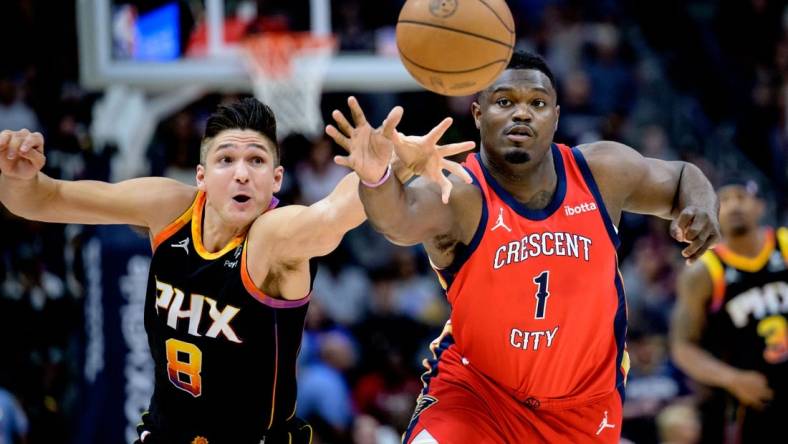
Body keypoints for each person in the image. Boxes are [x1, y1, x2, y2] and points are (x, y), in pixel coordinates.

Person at [0, 97, 473, 444]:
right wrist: (16, 175)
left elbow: (328, 219)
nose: (242, 173)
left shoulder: (272, 239)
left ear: (276, 179)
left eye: (256, 161)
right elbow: (46, 198)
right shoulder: (167, 208)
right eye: (226, 159)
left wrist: (381, 173)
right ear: (202, 175)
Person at [326, 51, 721, 443]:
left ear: (556, 116)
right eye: (504, 102)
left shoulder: (601, 172)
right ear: (478, 114)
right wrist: (378, 175)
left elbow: (683, 175)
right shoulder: (459, 192)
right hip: (478, 398)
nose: (521, 113)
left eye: (537, 103)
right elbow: (395, 220)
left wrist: (701, 206)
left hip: (584, 410)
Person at [670, 180, 786, 443]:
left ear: (759, 206)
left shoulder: (785, 245)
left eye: (741, 197)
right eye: (725, 200)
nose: (734, 206)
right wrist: (732, 379)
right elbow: (682, 348)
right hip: (748, 398)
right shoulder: (703, 271)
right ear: (714, 212)